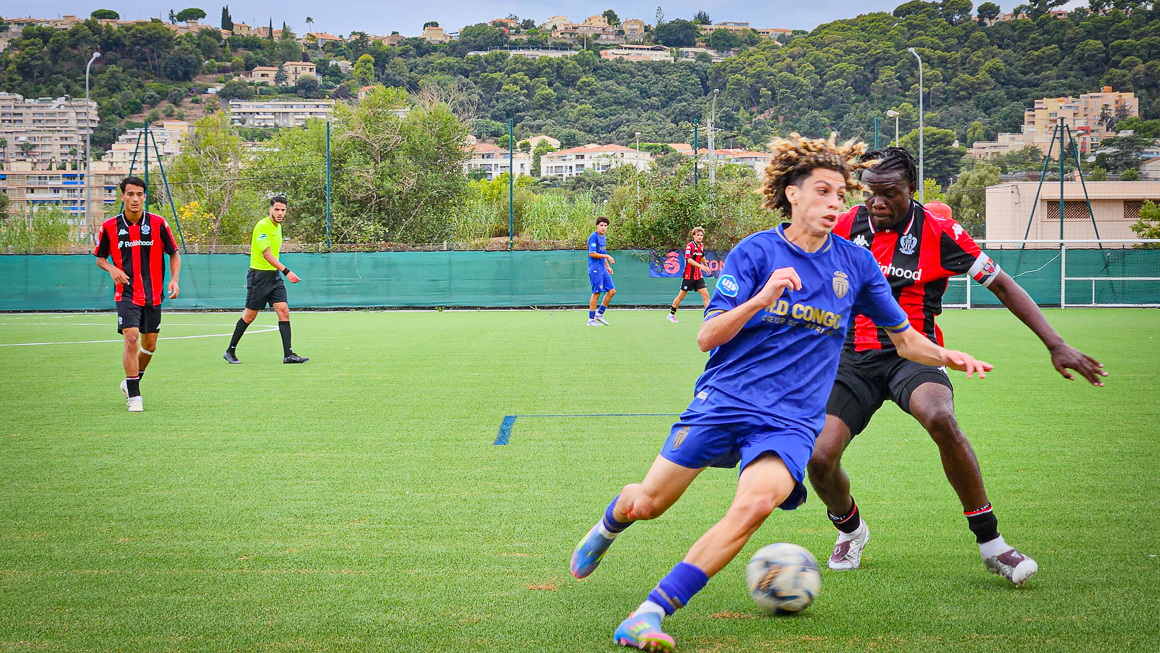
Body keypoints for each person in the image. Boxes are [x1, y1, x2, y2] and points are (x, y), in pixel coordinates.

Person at [569, 134, 992, 652]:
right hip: (726, 400)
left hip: (790, 421)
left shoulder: (856, 267)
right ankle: (611, 523)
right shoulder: (755, 251)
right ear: (793, 194)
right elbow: (708, 336)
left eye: (841, 194)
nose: (837, 203)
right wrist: (763, 297)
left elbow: (905, 338)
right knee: (648, 503)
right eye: (823, 191)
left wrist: (948, 356)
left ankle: (650, 611)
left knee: (756, 505)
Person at [811, 147, 1106, 585]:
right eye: (871, 193)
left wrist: (1056, 343)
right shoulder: (845, 224)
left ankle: (992, 546)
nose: (876, 204)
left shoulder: (940, 231)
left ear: (911, 190)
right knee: (819, 459)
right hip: (852, 358)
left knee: (940, 418)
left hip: (915, 354)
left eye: (888, 194)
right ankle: (851, 530)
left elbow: (1003, 284)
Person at [94, 176, 181, 412]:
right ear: (122, 196)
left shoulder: (158, 223)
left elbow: (173, 253)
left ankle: (130, 382)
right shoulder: (110, 226)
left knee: (149, 345)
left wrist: (174, 279)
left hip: (153, 293)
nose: (135, 199)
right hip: (126, 292)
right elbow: (100, 258)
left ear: (144, 197)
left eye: (139, 194)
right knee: (131, 337)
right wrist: (112, 269)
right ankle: (135, 396)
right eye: (130, 194)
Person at [223, 196, 308, 364]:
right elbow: (267, 254)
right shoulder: (263, 226)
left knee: (283, 310)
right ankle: (230, 351)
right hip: (259, 277)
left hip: (274, 277)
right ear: (270, 210)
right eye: (276, 209)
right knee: (249, 316)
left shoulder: (279, 227)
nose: (280, 213)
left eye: (283, 210)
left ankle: (288, 354)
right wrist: (287, 272)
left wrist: (280, 273)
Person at [667, 227, 712, 323]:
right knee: (681, 296)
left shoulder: (701, 246)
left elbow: (702, 256)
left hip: (698, 276)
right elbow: (689, 260)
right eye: (698, 235)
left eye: (701, 235)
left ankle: (708, 317)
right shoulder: (689, 246)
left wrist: (706, 266)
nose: (699, 237)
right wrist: (701, 266)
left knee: (706, 295)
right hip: (689, 276)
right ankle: (671, 314)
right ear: (694, 236)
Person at [587, 216, 616, 326]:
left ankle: (599, 314)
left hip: (603, 268)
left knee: (612, 291)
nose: (603, 227)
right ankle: (590, 320)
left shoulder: (603, 236)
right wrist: (608, 256)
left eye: (605, 225)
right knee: (596, 293)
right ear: (597, 226)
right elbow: (592, 253)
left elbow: (601, 253)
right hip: (595, 269)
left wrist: (608, 267)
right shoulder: (593, 237)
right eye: (601, 225)